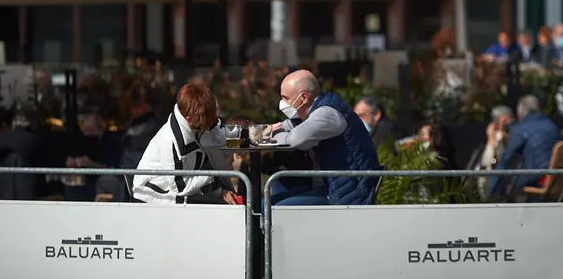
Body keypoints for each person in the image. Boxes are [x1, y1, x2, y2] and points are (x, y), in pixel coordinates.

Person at [268, 70, 381, 206]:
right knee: (268, 202)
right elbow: (286, 127)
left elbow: (296, 139)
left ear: (304, 98)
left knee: (275, 209)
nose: (282, 103)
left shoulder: (326, 114)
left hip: (350, 193)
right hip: (334, 187)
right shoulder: (313, 111)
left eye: (285, 98)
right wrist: (268, 131)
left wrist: (270, 136)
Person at [133, 84, 240, 204]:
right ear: (189, 120)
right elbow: (180, 188)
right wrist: (217, 188)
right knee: (223, 204)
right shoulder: (170, 141)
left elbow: (222, 137)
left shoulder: (199, 121)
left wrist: (249, 138)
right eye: (206, 125)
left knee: (230, 201)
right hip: (157, 195)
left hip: (187, 188)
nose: (210, 128)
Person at [489, 95, 560, 197]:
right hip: (558, 179)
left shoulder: (519, 130)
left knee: (507, 173)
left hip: (537, 180)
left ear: (519, 113)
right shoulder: (552, 126)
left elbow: (506, 160)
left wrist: (491, 193)